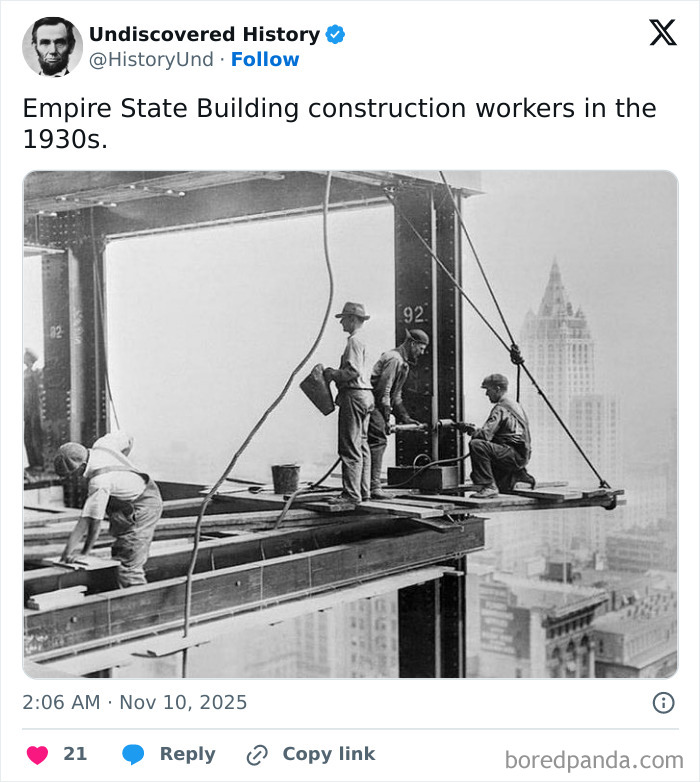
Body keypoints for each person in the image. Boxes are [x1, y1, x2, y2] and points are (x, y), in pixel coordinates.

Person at [54, 431, 163, 588]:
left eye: (73, 474)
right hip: (137, 497)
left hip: (144, 506)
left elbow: (94, 525)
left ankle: (141, 603)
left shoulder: (99, 482)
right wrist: (66, 555)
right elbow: (128, 438)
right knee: (122, 548)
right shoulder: (102, 445)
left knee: (128, 564)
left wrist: (84, 554)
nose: (74, 479)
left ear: (82, 467)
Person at [368, 329, 430, 499]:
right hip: (371, 402)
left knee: (373, 441)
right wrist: (387, 419)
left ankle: (367, 484)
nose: (422, 352)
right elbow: (384, 391)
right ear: (412, 344)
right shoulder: (394, 359)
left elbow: (396, 395)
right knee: (378, 439)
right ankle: (373, 487)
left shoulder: (403, 363)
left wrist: (405, 417)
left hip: (377, 402)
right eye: (421, 348)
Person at [324, 302, 374, 505]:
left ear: (353, 319)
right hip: (366, 397)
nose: (341, 322)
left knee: (349, 447)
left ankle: (351, 495)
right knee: (362, 446)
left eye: (343, 318)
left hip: (353, 395)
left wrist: (332, 374)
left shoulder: (353, 341)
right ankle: (364, 491)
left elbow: (352, 372)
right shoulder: (365, 340)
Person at [463, 373, 536, 498]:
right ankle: (522, 478)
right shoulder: (514, 405)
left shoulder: (501, 408)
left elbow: (485, 435)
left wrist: (472, 431)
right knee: (495, 481)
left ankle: (488, 486)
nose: (486, 394)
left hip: (513, 454)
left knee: (477, 445)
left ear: (497, 389)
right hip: (521, 455)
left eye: (488, 390)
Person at [24, 348, 44, 472]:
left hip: (35, 407)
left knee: (36, 436)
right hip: (27, 407)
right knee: (28, 436)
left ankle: (39, 462)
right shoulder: (25, 373)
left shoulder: (37, 373)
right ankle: (32, 462)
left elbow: (39, 391)